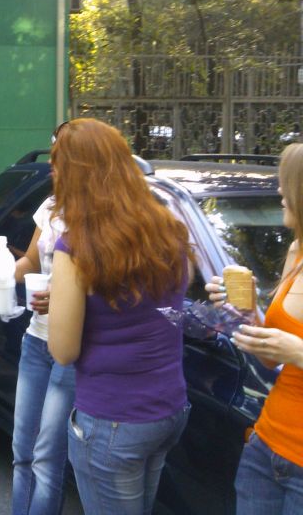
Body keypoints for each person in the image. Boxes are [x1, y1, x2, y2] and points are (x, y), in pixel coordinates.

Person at [47, 118, 191, 515]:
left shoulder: (76, 247)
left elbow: (62, 351)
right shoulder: (170, 230)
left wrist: (60, 302)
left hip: (114, 419)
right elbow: (162, 308)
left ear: (77, 174)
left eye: (57, 165)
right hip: (169, 408)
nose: (52, 174)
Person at [205, 143, 303, 514]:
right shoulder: (297, 252)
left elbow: (293, 350)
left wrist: (297, 352)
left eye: (286, 183)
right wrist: (244, 314)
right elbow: (270, 358)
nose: (279, 191)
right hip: (266, 446)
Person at [8, 198, 75, 515]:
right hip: (36, 341)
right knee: (23, 452)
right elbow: (30, 263)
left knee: (47, 459)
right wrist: (6, 272)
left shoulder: (104, 212)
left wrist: (61, 297)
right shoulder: (51, 206)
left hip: (71, 348)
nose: (55, 174)